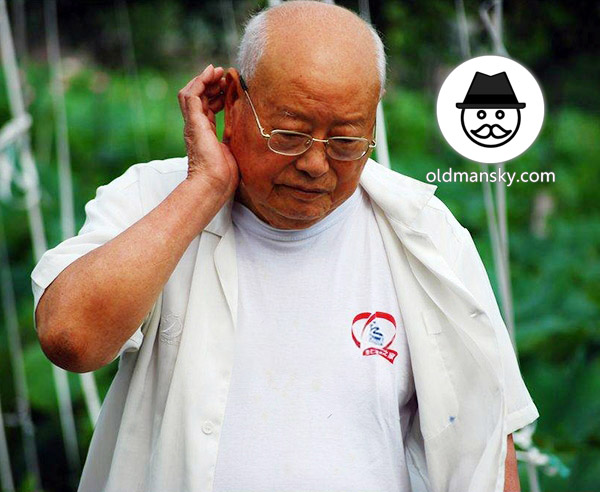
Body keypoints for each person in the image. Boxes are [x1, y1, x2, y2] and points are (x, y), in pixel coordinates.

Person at [31, 2, 538, 491]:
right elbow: (72, 339)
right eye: (290, 135)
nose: (316, 164)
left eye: (345, 142)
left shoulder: (427, 234)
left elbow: (489, 441)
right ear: (231, 102)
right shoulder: (154, 199)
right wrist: (205, 187)